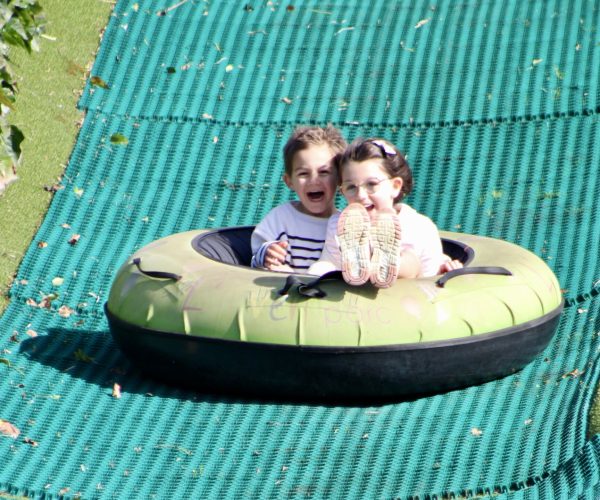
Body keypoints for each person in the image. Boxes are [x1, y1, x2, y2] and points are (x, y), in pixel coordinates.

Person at [309, 138, 462, 287]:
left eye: (372, 184)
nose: (361, 195)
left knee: (410, 259)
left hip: (403, 302)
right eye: (351, 187)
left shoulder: (419, 227)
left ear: (395, 186)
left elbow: (431, 281)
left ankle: (386, 262)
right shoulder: (340, 224)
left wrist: (445, 270)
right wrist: (313, 275)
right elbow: (329, 263)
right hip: (353, 304)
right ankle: (361, 262)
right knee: (323, 267)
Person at [251, 125, 347, 272]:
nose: (314, 181)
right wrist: (267, 254)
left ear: (340, 178)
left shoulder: (345, 225)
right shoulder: (281, 218)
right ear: (289, 181)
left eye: (324, 172)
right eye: (303, 173)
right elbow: (255, 259)